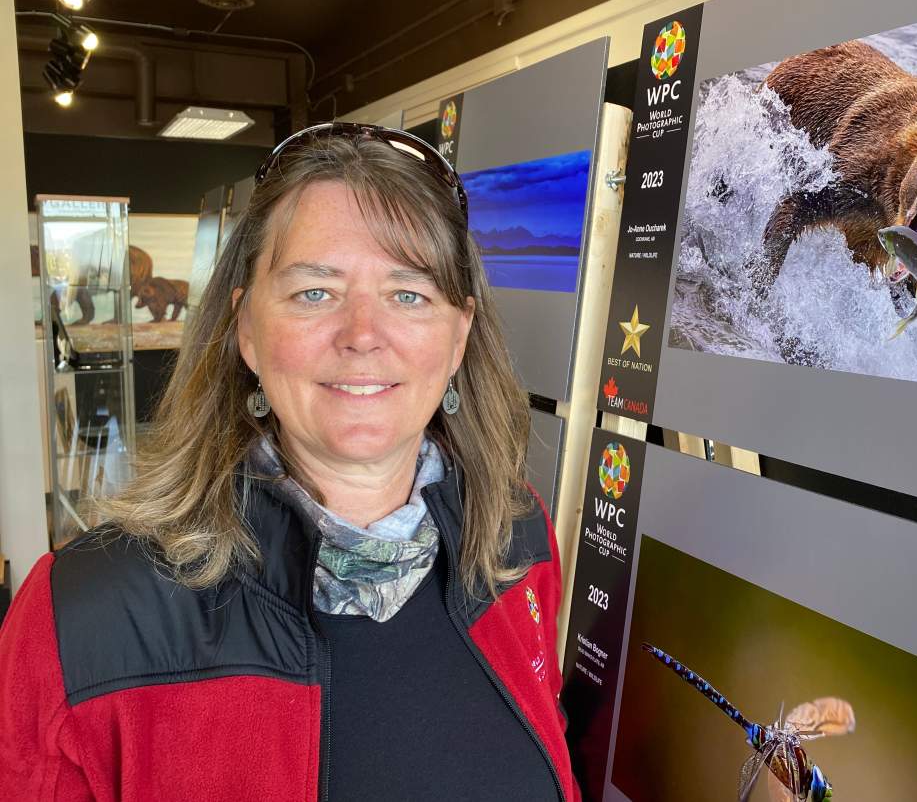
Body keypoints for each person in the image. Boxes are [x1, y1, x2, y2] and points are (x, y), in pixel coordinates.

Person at [0, 123, 577, 801]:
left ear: (458, 338)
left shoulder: (514, 536)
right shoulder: (86, 617)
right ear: (246, 329)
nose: (363, 335)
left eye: (408, 294)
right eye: (315, 292)